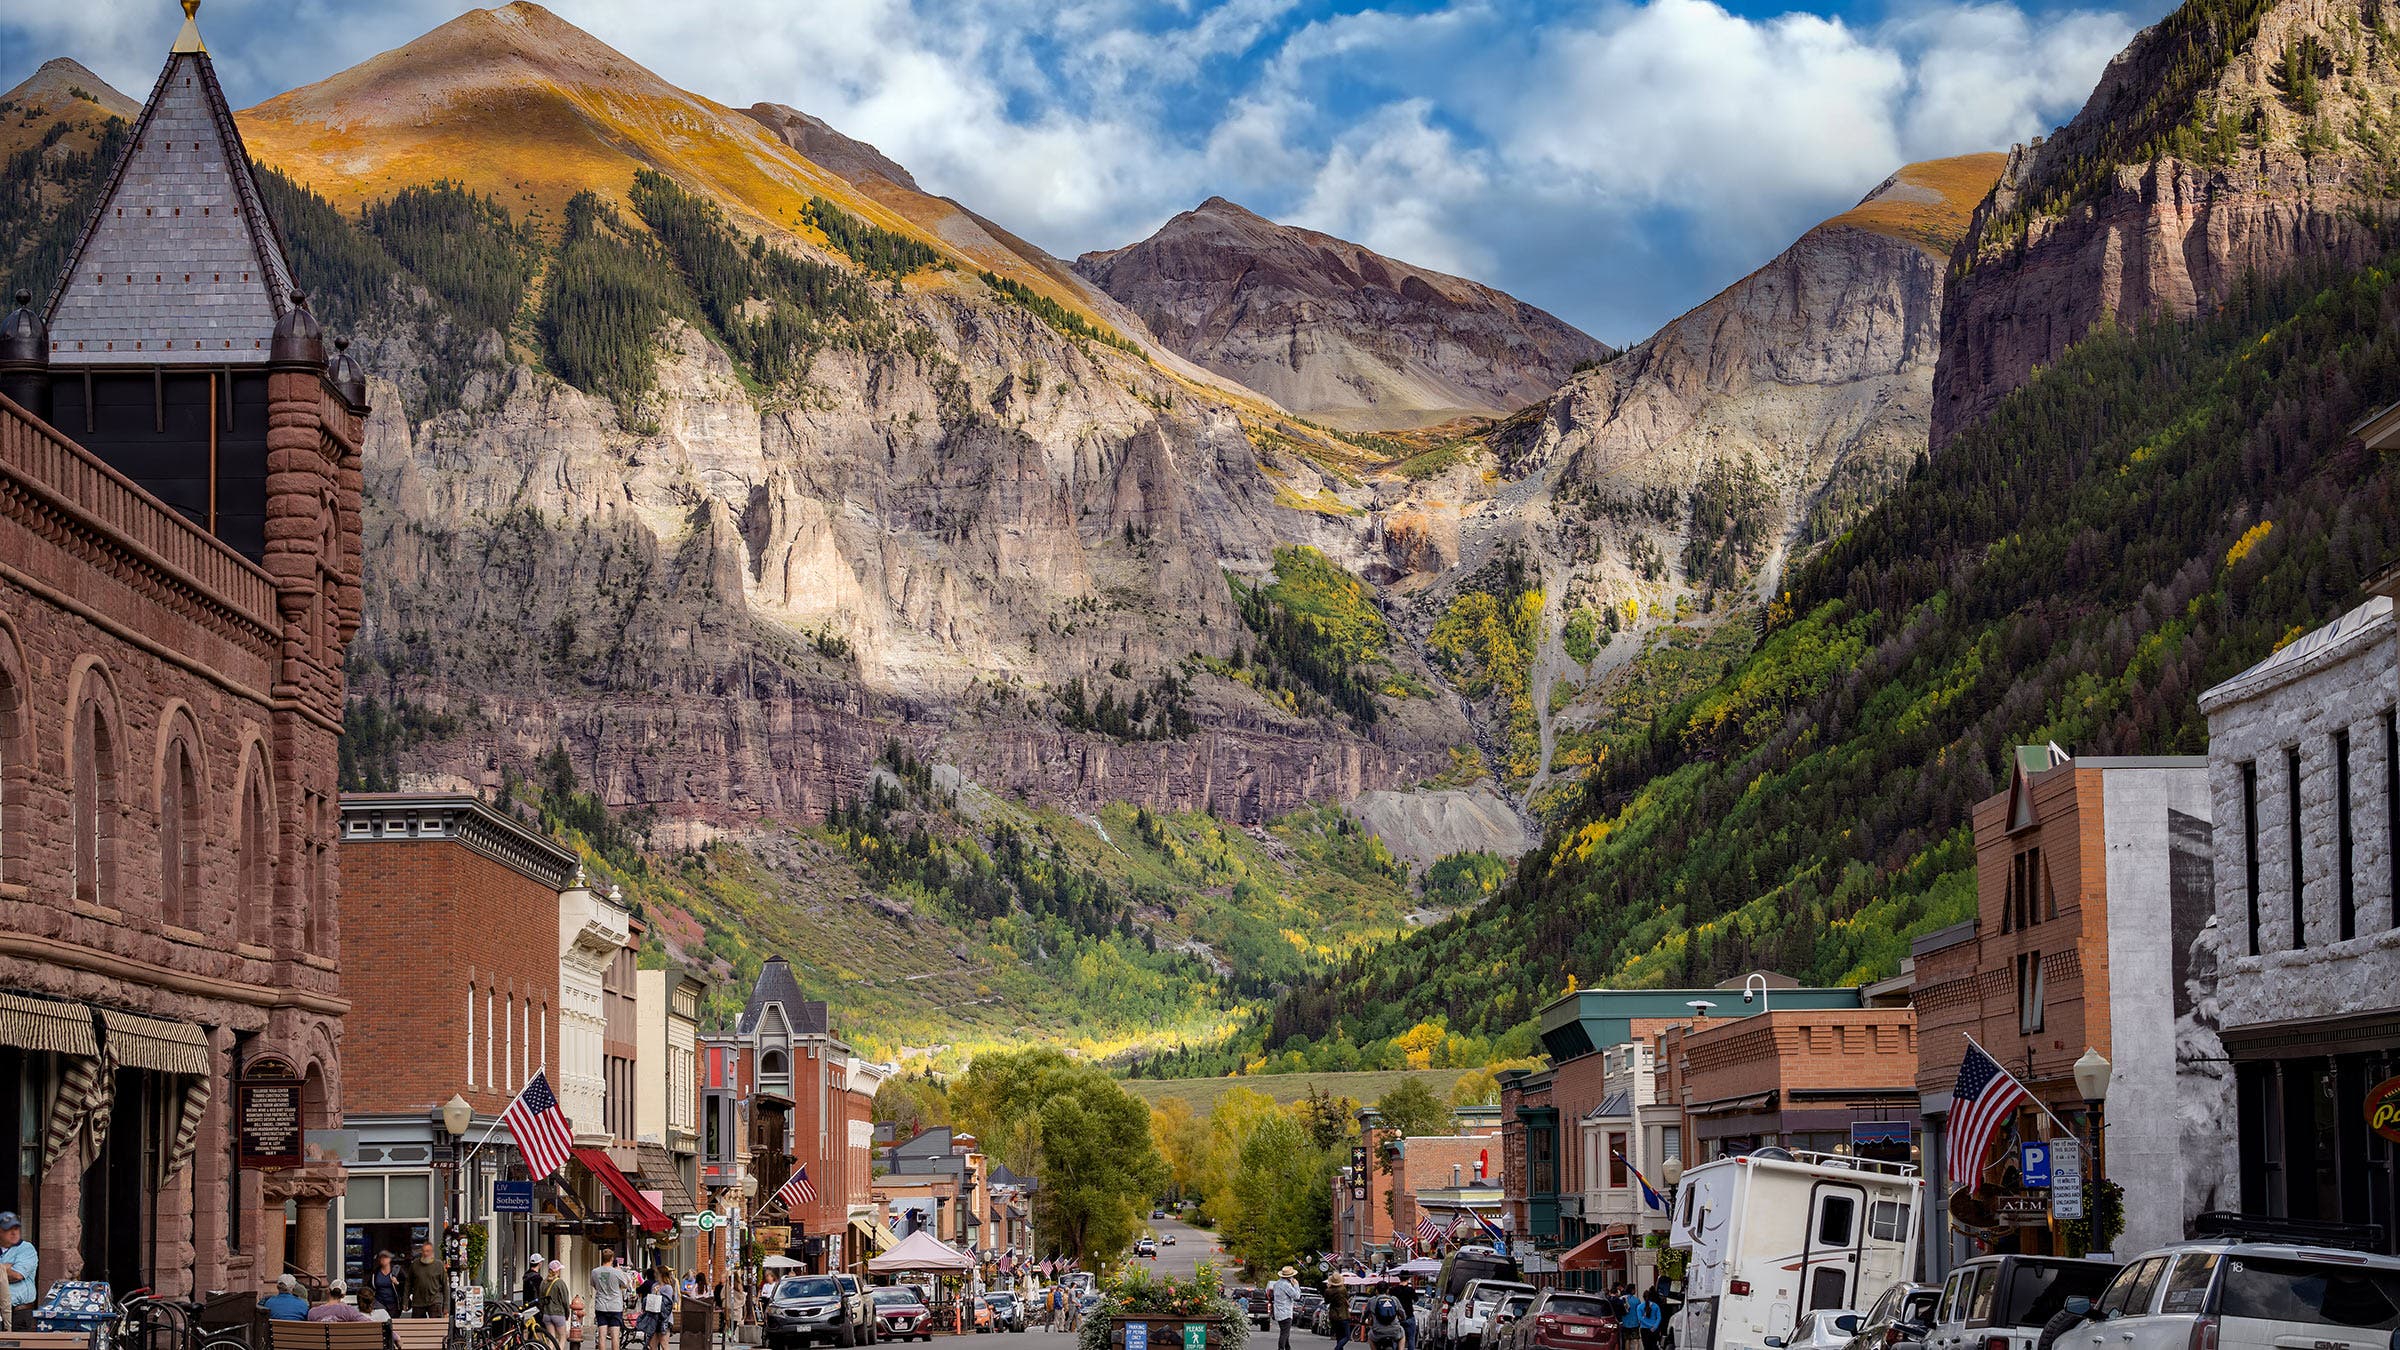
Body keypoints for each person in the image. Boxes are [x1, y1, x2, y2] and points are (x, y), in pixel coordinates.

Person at [0, 1212, 35, 1333]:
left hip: (19, 1313)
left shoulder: (26, 1248)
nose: (14, 1233)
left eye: (16, 1228)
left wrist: (2, 1270)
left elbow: (17, 1275)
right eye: (8, 1229)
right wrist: (7, 1267)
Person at [592, 1250, 632, 1350]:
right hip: (615, 1306)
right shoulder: (616, 1272)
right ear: (612, 1259)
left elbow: (594, 1285)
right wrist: (620, 1271)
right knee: (615, 1336)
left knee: (602, 1335)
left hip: (601, 1305)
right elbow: (626, 1284)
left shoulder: (595, 1271)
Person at [406, 1241, 447, 1319]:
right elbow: (408, 1284)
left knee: (435, 1326)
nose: (425, 1253)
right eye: (423, 1251)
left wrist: (446, 1306)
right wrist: (405, 1301)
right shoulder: (415, 1264)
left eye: (427, 1251)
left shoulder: (438, 1265)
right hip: (418, 1301)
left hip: (434, 1300)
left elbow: (445, 1286)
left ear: (432, 1252)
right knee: (417, 1327)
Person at [541, 1259, 573, 1349]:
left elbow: (541, 1300)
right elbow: (565, 1301)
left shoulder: (543, 1282)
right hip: (558, 1313)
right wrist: (567, 1314)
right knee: (562, 1337)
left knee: (551, 1338)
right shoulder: (560, 1283)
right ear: (557, 1271)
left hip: (547, 1314)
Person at [1270, 1267, 1301, 1350]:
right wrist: (1296, 1285)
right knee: (1284, 1333)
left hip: (1278, 1312)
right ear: (1289, 1277)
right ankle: (1281, 1348)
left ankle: (1287, 1347)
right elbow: (1297, 1296)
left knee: (1285, 1332)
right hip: (1286, 1313)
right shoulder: (1286, 1285)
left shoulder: (1276, 1284)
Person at [369, 1251, 403, 1320]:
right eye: (381, 1258)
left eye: (386, 1257)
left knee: (392, 1324)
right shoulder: (375, 1272)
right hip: (379, 1303)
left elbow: (406, 1284)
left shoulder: (397, 1271)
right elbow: (370, 1286)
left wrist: (397, 1283)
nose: (383, 1259)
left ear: (390, 1259)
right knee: (381, 1323)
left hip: (393, 1304)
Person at [1328, 1274, 1353, 1350]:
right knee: (1347, 1336)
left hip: (1333, 1315)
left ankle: (1339, 1348)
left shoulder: (1328, 1291)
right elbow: (1346, 1297)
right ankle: (1337, 1348)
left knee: (1339, 1336)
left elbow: (1326, 1300)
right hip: (1343, 1315)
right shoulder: (1343, 1290)